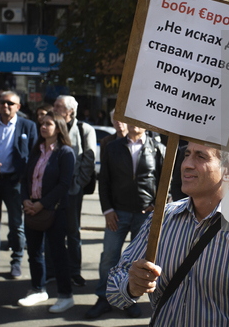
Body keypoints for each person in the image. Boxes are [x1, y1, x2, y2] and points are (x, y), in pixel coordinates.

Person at [107, 143, 229, 325]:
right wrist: (131, 286)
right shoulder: (161, 219)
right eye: (187, 155)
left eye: (201, 156)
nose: (187, 164)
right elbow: (114, 288)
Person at [85, 123, 165, 319]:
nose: (133, 123)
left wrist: (156, 204)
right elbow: (103, 180)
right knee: (109, 257)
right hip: (117, 214)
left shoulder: (158, 148)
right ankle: (102, 298)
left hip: (144, 215)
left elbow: (165, 180)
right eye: (131, 119)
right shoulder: (113, 147)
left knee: (136, 261)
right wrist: (108, 210)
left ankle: (129, 299)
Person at [18, 111, 76, 313]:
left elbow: (64, 184)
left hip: (54, 210)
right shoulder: (36, 150)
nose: (43, 126)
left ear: (58, 128)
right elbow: (26, 178)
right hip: (32, 208)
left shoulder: (65, 152)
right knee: (34, 252)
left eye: (48, 124)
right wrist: (26, 199)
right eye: (42, 123)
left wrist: (42, 204)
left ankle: (65, 295)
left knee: (58, 253)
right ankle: (37, 289)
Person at [0, 91, 38, 276]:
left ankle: (16, 261)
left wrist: (25, 177)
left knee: (16, 224)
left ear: (18, 107)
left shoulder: (28, 126)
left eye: (10, 103)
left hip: (15, 182)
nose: (5, 106)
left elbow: (33, 154)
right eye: (2, 102)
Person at [52, 95, 96, 286]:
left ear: (70, 111)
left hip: (72, 189)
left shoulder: (84, 129)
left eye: (58, 106)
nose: (54, 108)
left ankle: (74, 271)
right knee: (53, 231)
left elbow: (89, 158)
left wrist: (79, 182)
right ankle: (53, 271)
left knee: (73, 231)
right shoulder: (51, 126)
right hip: (52, 189)